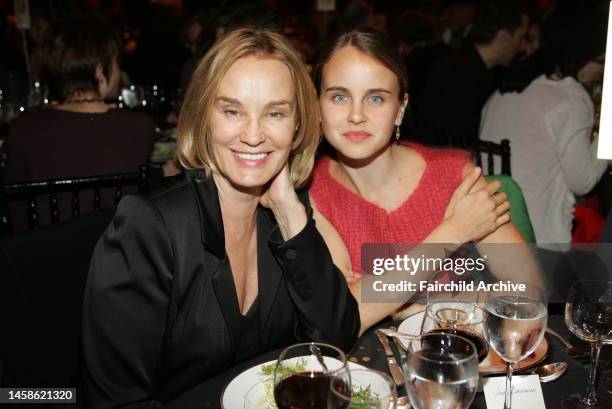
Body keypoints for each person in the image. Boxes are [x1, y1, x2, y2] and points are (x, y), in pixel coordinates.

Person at [82, 28, 360, 408]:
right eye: (232, 111)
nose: (253, 134)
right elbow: (118, 402)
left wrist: (292, 215)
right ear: (203, 117)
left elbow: (334, 341)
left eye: (275, 113)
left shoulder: (285, 214)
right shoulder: (150, 227)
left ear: (297, 126)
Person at [310, 28, 537, 334]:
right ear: (317, 107)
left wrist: (430, 304)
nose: (356, 115)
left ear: (400, 109)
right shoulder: (313, 194)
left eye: (375, 98)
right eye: (339, 96)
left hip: (455, 361)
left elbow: (530, 291)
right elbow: (346, 317)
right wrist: (455, 231)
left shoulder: (453, 176)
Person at [3, 19, 155, 231]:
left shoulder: (23, 128)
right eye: (117, 63)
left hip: (42, 255)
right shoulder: (140, 126)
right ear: (100, 72)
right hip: (118, 255)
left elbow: (15, 210)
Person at [480, 18, 608, 244]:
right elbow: (584, 181)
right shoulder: (570, 96)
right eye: (602, 62)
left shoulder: (504, 89)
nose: (603, 71)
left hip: (497, 234)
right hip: (542, 240)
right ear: (581, 59)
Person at [415, 0, 530, 148]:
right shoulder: (459, 75)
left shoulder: (471, 68)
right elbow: (449, 140)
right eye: (520, 37)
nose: (523, 47)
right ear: (502, 36)